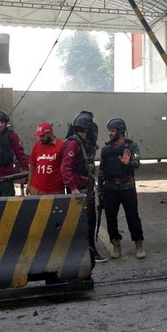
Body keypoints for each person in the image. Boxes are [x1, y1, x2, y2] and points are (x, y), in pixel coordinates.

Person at [61, 112, 104, 263]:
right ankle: (87, 252)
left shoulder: (85, 142)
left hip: (87, 186)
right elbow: (65, 168)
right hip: (79, 189)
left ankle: (89, 250)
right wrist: (73, 188)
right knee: (84, 222)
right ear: (86, 129)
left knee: (90, 220)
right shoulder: (73, 143)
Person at [99, 118, 145, 259]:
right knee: (111, 218)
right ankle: (116, 244)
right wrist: (100, 190)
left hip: (127, 188)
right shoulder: (106, 149)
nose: (110, 134)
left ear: (120, 131)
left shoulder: (131, 146)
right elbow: (101, 170)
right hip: (110, 188)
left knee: (133, 217)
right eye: (109, 131)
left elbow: (137, 163)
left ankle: (138, 243)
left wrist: (128, 162)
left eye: (112, 131)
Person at [27, 122, 65, 195]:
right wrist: (29, 184)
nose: (40, 138)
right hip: (36, 189)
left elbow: (66, 167)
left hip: (55, 191)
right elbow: (32, 165)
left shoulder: (61, 146)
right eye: (39, 136)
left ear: (50, 133)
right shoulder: (37, 145)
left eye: (42, 136)